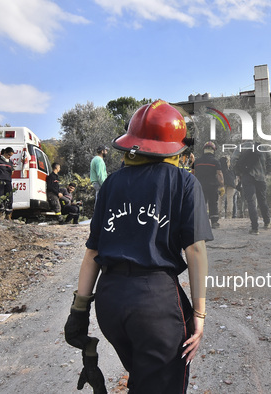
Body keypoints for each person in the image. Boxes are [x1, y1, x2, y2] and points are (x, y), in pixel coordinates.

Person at [64, 100, 212, 394]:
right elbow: (195, 251)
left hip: (111, 303)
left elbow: (93, 253)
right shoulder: (184, 183)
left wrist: (79, 310)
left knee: (143, 378)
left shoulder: (111, 184)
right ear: (176, 147)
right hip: (155, 303)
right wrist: (199, 314)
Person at [231, 141, 271, 235]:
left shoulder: (241, 147)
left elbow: (233, 161)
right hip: (261, 178)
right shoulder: (262, 147)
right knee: (262, 200)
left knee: (251, 201)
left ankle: (255, 228)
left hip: (247, 177)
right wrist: (265, 172)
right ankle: (267, 222)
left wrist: (239, 173)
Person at [193, 141, 224, 229]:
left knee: (201, 203)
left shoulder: (197, 161)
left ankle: (200, 223)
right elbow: (219, 174)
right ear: (213, 151)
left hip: (200, 186)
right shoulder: (215, 161)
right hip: (212, 186)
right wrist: (222, 186)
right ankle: (214, 223)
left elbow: (192, 174)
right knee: (213, 203)